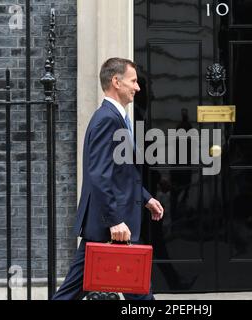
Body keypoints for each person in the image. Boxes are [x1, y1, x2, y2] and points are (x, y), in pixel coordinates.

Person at [51, 57, 164, 300]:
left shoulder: (116, 118)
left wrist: (145, 197)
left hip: (110, 222)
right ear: (116, 81)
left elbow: (120, 172)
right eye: (133, 81)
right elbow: (99, 174)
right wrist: (114, 220)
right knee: (139, 291)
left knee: (136, 290)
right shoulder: (107, 119)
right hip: (111, 225)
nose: (138, 87)